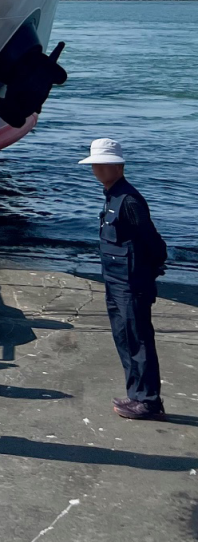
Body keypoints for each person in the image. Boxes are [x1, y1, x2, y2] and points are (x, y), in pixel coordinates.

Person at [78, 137, 169, 419]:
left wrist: (147, 274)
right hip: (115, 282)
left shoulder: (129, 201)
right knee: (124, 339)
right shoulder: (111, 196)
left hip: (132, 285)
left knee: (138, 340)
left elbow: (154, 243)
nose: (98, 170)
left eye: (104, 165)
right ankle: (135, 395)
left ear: (119, 166)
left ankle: (149, 401)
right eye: (95, 165)